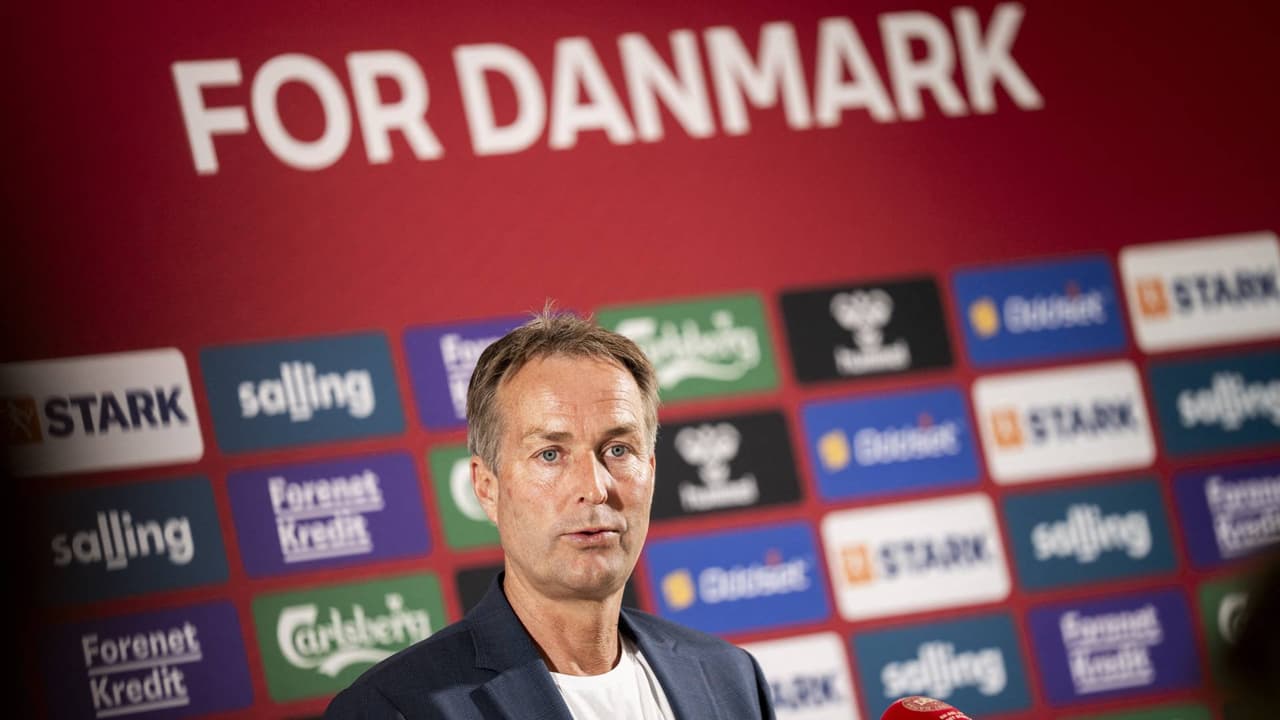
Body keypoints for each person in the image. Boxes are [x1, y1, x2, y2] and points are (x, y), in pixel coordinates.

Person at [325, 309, 775, 719]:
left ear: (652, 472)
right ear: (487, 487)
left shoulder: (731, 679)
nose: (595, 488)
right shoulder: (393, 708)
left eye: (619, 450)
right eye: (550, 454)